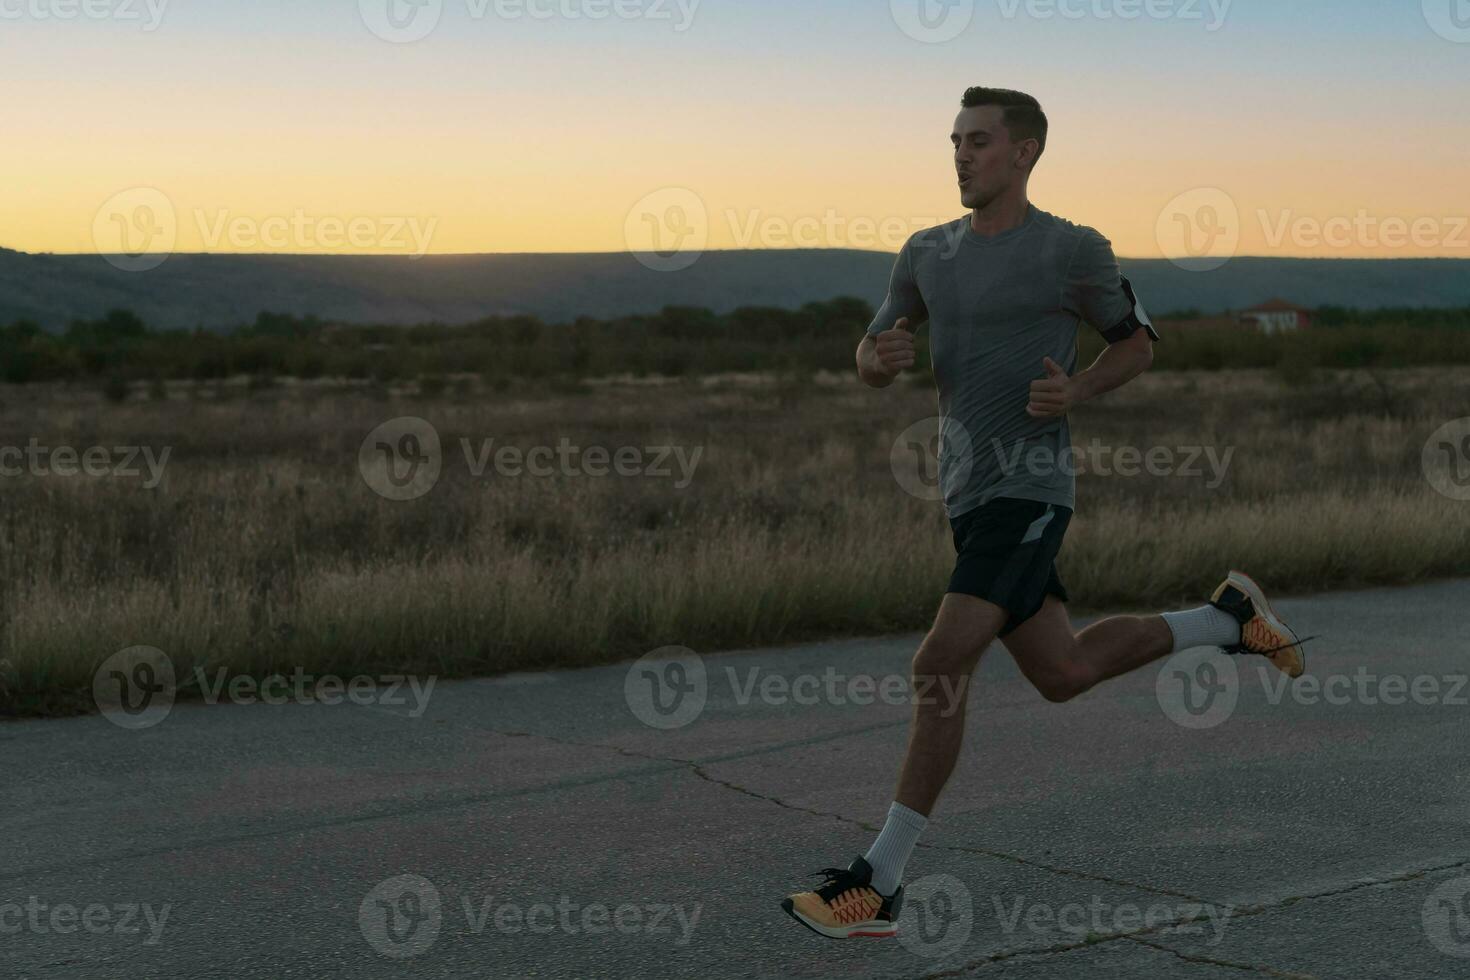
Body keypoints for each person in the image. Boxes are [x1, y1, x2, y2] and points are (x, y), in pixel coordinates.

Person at [781, 86, 1310, 941]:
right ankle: (1226, 619)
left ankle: (877, 883)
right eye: (954, 140)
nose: (960, 155)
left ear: (1023, 152)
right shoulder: (924, 252)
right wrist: (872, 357)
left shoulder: (1071, 250)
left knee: (940, 664)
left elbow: (1137, 341)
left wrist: (1081, 387)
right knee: (1060, 673)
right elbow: (872, 355)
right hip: (967, 494)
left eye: (979, 141)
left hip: (1030, 491)